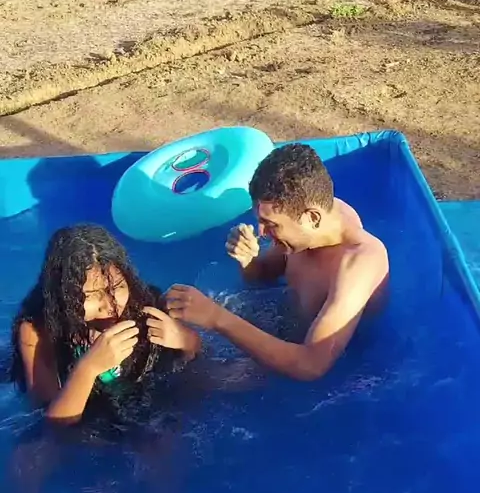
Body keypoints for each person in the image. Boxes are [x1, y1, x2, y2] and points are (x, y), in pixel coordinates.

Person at [165, 143, 389, 381]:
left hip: (336, 370)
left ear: (312, 218)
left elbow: (312, 366)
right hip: (282, 325)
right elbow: (262, 275)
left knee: (194, 381)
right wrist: (248, 260)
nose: (261, 233)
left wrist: (216, 318)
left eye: (270, 224)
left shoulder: (358, 265)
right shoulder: (308, 220)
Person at [10, 224, 201, 424]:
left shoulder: (141, 304)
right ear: (64, 294)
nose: (110, 306)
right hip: (86, 415)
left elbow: (195, 355)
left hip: (136, 400)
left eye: (117, 287)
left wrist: (185, 340)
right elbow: (51, 422)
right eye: (91, 295)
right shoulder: (38, 330)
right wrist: (88, 368)